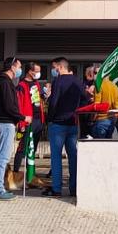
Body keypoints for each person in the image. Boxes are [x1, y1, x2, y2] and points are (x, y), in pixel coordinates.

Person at [44, 57, 84, 198]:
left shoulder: (58, 82)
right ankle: (74, 188)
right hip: (73, 123)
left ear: (60, 67)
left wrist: (50, 118)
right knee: (73, 157)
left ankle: (57, 189)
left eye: (55, 68)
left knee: (56, 158)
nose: (54, 71)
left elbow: (54, 103)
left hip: (58, 124)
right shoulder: (78, 81)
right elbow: (85, 98)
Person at [0, 58, 23, 200]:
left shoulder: (2, 82)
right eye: (19, 67)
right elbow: (9, 106)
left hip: (3, 122)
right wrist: (22, 117)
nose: (19, 70)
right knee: (2, 157)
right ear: (12, 67)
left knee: (1, 156)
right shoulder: (5, 83)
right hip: (5, 123)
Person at [89, 66, 118, 139]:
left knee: (99, 146)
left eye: (96, 73)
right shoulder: (115, 86)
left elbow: (97, 105)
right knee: (107, 145)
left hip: (101, 120)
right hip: (111, 121)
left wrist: (92, 118)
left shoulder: (99, 85)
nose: (95, 75)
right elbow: (117, 106)